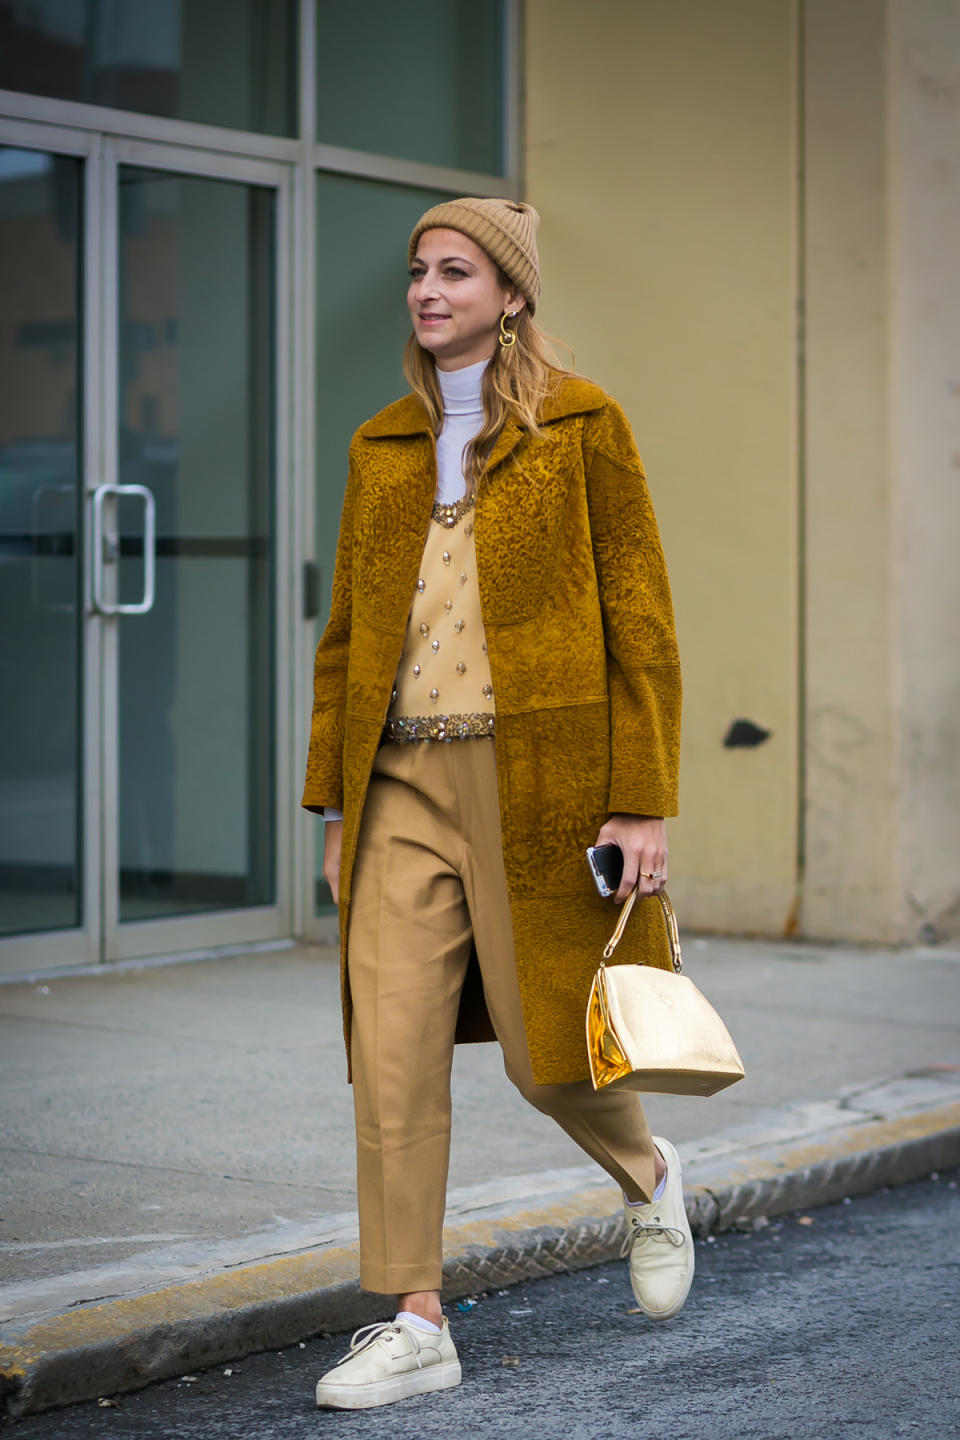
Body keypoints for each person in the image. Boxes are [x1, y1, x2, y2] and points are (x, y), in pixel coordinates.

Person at [302, 197, 688, 1411]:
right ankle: (413, 1316)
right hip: (400, 780)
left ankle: (649, 1174)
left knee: (547, 1052)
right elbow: (348, 639)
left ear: (511, 295)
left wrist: (642, 804)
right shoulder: (381, 446)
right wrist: (331, 805)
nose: (428, 290)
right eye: (419, 271)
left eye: (457, 271)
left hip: (544, 785)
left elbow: (643, 624)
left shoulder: (584, 429)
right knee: (396, 1053)